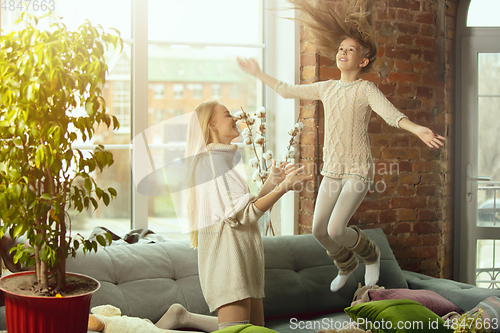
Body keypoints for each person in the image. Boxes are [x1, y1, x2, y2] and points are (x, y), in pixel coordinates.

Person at [237, 0, 445, 292]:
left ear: (362, 61)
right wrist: (258, 73)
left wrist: (418, 129)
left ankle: (371, 256)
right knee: (319, 230)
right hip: (333, 169)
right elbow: (286, 90)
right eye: (340, 49)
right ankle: (345, 263)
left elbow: (391, 115)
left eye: (350, 49)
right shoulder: (326, 87)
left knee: (337, 228)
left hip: (359, 169)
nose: (343, 52)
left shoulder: (366, 89)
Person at [154, 100, 312, 332]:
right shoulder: (212, 162)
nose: (236, 118)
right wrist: (284, 188)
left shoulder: (220, 160)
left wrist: (271, 183)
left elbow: (241, 208)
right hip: (229, 263)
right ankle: (181, 318)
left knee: (253, 329)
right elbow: (243, 215)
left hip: (242, 259)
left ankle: (183, 317)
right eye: (228, 115)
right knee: (241, 330)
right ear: (212, 126)